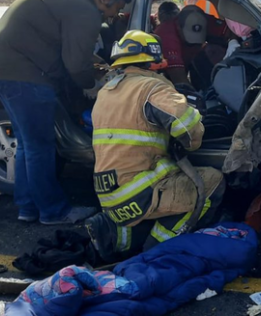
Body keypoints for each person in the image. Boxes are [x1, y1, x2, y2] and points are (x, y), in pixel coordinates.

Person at [0, 0, 132, 224]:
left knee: (28, 144)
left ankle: (28, 207)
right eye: (115, 9)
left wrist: (92, 65)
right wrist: (94, 85)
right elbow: (76, 64)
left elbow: (66, 47)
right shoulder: (85, 10)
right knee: (40, 146)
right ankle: (53, 211)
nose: (112, 17)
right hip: (24, 75)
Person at [85, 30, 225, 259]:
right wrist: (194, 125)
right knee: (212, 182)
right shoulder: (151, 87)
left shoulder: (106, 92)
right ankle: (159, 249)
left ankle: (120, 240)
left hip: (109, 197)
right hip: (139, 194)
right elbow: (188, 129)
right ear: (153, 62)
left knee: (164, 176)